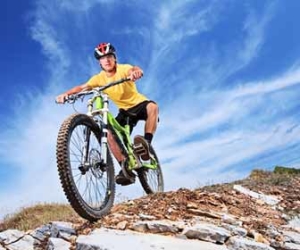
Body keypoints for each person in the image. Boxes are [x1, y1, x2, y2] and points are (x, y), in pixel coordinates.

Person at [56, 42, 159, 186]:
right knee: (108, 133)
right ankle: (125, 167)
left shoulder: (124, 69)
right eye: (103, 58)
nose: (107, 60)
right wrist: (66, 94)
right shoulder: (99, 78)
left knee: (153, 107)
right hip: (124, 112)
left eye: (109, 56)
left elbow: (134, 69)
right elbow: (82, 87)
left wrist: (136, 72)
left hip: (138, 104)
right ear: (100, 63)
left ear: (115, 58)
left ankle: (146, 144)